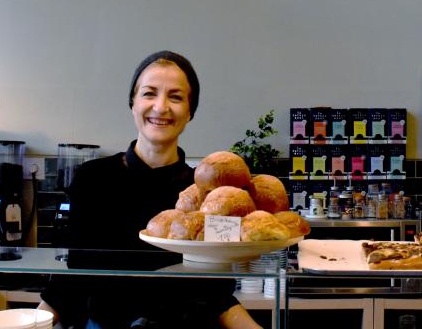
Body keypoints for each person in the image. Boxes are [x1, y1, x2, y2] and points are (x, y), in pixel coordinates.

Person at [39, 50, 262, 329]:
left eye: (176, 96)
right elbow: (70, 282)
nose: (161, 107)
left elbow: (216, 295)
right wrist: (30, 323)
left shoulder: (209, 195)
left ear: (190, 111)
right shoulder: (93, 179)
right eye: (149, 93)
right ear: (132, 102)